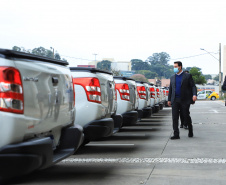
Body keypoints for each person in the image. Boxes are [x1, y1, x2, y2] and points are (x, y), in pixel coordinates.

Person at [168, 61, 197, 139]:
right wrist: (169, 99)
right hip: (175, 100)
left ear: (180, 67)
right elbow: (171, 89)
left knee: (186, 115)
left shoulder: (187, 76)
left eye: (175, 66)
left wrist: (194, 95)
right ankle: (176, 134)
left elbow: (193, 86)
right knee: (175, 117)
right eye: (173, 66)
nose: (174, 68)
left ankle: (190, 130)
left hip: (184, 100)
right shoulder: (172, 77)